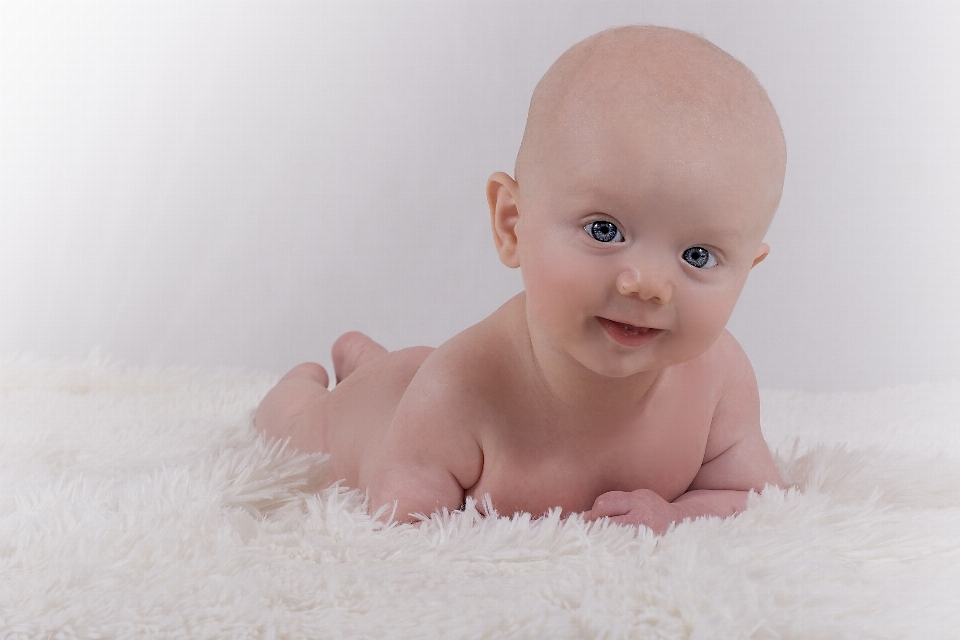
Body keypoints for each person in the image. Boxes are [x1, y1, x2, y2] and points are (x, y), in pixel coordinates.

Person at [255, 25, 786, 534]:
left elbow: (753, 496)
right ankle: (314, 382)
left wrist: (673, 518)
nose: (647, 285)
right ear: (513, 223)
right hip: (386, 415)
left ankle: (365, 356)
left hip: (417, 390)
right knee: (304, 427)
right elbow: (401, 527)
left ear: (746, 271)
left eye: (698, 255)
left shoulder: (719, 381)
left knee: (408, 372)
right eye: (605, 230)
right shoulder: (461, 390)